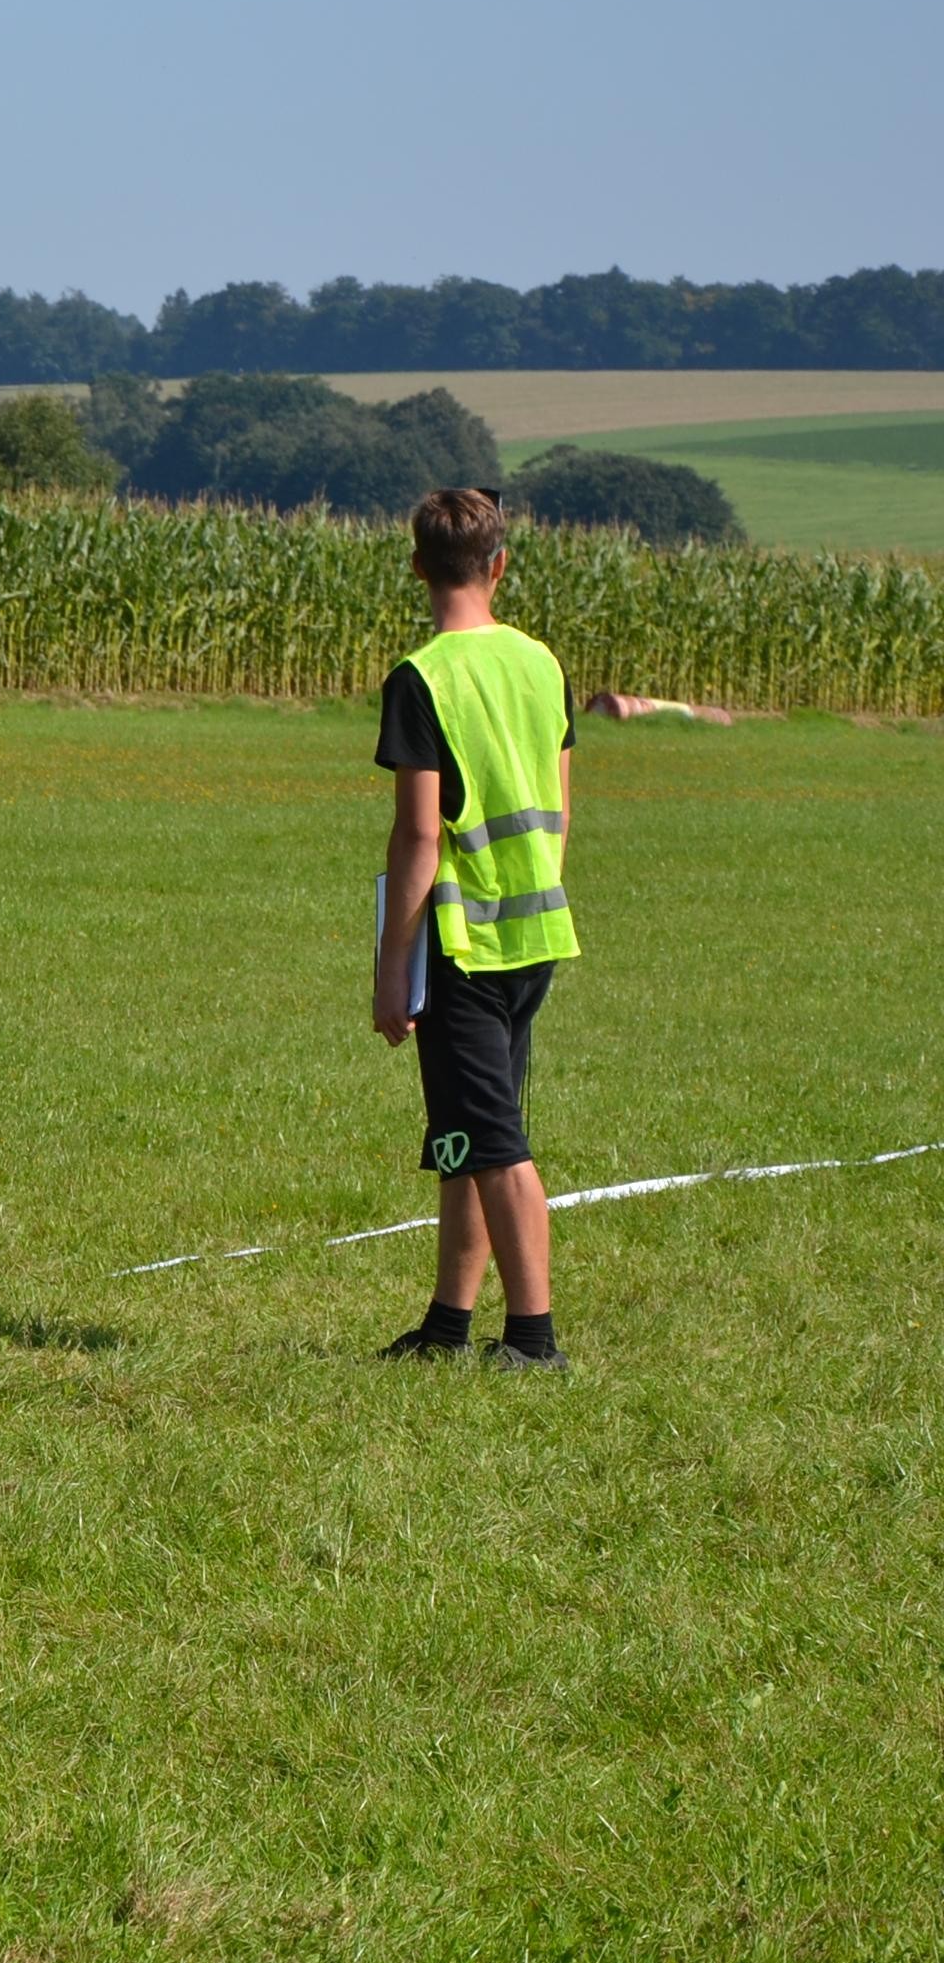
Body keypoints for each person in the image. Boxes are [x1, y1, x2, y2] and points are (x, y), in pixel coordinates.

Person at [373, 486, 580, 1371]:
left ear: (417, 567)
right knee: (462, 1134)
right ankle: (447, 1326)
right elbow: (561, 807)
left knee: (494, 1145)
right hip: (534, 930)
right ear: (500, 565)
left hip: (465, 940)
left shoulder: (421, 678)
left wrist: (393, 965)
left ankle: (534, 1339)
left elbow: (420, 835)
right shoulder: (542, 664)